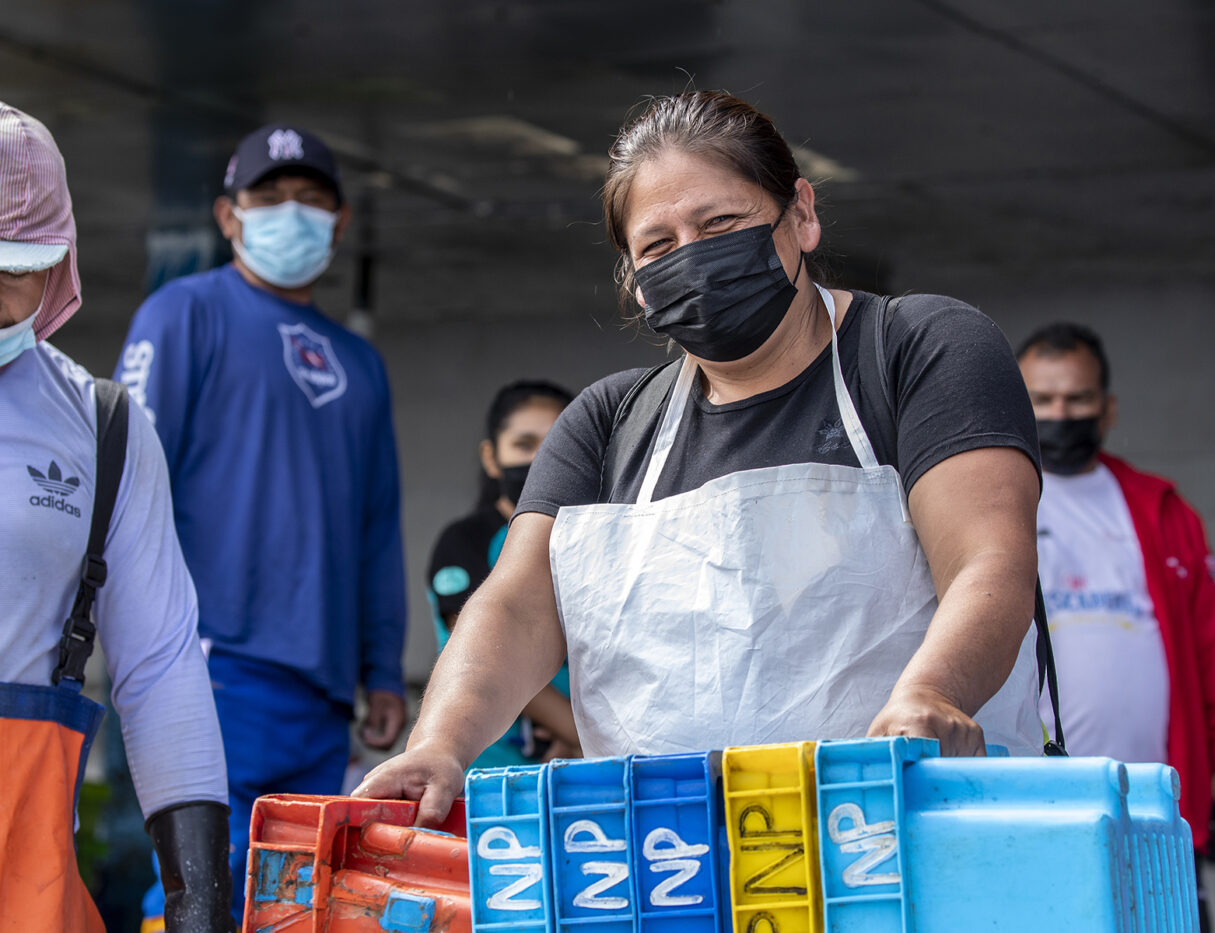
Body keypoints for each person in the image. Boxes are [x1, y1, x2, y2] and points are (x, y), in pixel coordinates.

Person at [358, 90, 1051, 823]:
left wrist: (932, 693)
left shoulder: (917, 350)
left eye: (721, 223)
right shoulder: (606, 424)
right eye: (658, 245)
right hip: (674, 863)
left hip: (906, 834)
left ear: (802, 215)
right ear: (632, 279)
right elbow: (518, 605)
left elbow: (988, 559)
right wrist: (440, 742)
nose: (695, 258)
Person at [114, 124, 408, 922]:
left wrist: (382, 665)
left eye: (311, 200)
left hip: (319, 683)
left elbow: (377, 523)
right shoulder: (181, 315)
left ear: (342, 222)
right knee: (201, 883)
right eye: (269, 198)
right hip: (208, 664)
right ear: (226, 215)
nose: (291, 213)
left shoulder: (360, 363)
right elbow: (124, 483)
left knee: (295, 895)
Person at [0, 102, 234, 931]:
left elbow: (162, 667)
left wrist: (196, 898)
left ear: (58, 262)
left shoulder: (104, 429)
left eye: (12, 267)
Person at [1016, 322, 1215, 930]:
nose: (1060, 414)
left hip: (1157, 804)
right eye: (1042, 401)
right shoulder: (990, 499)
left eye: (1077, 400)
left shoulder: (1163, 508)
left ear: (1108, 409)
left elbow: (1214, 640)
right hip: (1030, 802)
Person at [426, 379, 579, 766]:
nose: (541, 459)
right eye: (524, 445)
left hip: (579, 762)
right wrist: (581, 734)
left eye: (556, 444)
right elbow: (491, 650)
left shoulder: (593, 539)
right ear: (491, 457)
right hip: (492, 766)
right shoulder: (466, 540)